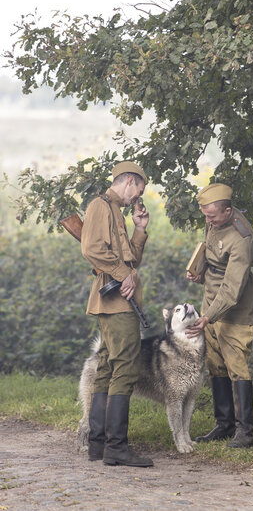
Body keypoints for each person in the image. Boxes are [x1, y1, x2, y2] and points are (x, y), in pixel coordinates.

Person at [81, 161, 153, 467]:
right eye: (140, 189)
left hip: (118, 300)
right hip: (116, 302)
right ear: (130, 181)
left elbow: (130, 260)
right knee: (126, 367)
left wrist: (139, 229)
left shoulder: (116, 212)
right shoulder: (100, 206)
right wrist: (124, 274)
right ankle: (116, 447)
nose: (139, 196)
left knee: (109, 367)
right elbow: (91, 248)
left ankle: (98, 444)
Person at [186, 183, 253, 448]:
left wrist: (208, 316)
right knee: (215, 363)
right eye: (205, 216)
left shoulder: (243, 237)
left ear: (228, 211)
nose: (207, 221)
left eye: (212, 216)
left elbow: (232, 289)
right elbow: (212, 256)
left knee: (236, 366)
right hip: (209, 304)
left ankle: (245, 432)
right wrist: (199, 272)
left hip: (235, 310)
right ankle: (224, 425)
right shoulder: (214, 221)